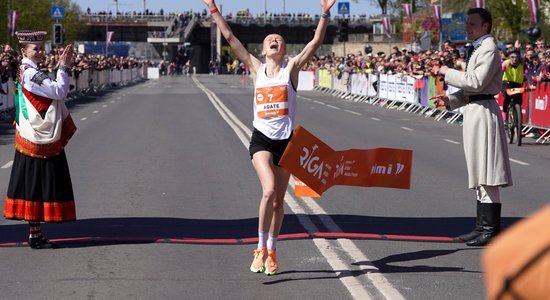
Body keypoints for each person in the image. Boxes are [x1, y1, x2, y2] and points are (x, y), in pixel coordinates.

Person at [202, 0, 336, 274]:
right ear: (263, 51)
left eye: (279, 39)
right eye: (270, 39)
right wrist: (213, 7)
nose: (275, 40)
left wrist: (324, 12)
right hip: (262, 140)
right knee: (269, 190)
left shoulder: (292, 70)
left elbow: (316, 41)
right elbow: (230, 37)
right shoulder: (255, 68)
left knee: (279, 202)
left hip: (287, 143)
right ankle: (260, 247)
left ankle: (273, 250)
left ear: (284, 50)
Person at [432, 8, 512, 246]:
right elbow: (473, 90)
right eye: (468, 23)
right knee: (479, 171)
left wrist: (447, 73)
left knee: (487, 172)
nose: (468, 27)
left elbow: (476, 83)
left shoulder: (488, 48)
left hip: (484, 112)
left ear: (485, 26)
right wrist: (450, 100)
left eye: (473, 24)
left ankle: (489, 229)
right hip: (476, 110)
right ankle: (482, 227)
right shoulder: (479, 47)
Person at [3, 30, 77, 249]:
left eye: (41, 48)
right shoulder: (30, 73)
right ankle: (34, 234)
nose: (40, 52)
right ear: (24, 50)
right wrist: (63, 67)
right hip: (37, 136)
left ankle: (35, 233)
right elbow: (59, 91)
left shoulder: (29, 70)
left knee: (34, 184)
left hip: (32, 134)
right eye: (35, 48)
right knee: (35, 184)